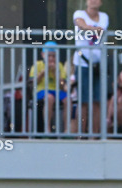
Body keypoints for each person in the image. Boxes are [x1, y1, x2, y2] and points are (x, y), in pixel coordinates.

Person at [71, 0, 109, 135]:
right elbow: (81, 25)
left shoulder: (104, 16)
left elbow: (101, 32)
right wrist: (93, 29)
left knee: (97, 101)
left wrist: (93, 30)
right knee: (83, 101)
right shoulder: (79, 13)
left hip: (99, 64)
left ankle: (94, 134)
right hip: (82, 62)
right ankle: (81, 134)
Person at [29, 42, 69, 134]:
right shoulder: (37, 65)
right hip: (41, 91)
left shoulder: (59, 65)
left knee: (68, 100)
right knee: (49, 98)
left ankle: (67, 130)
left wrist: (56, 74)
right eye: (49, 56)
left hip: (57, 90)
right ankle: (47, 130)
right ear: (43, 55)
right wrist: (43, 72)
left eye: (54, 56)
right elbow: (33, 83)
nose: (51, 58)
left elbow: (63, 85)